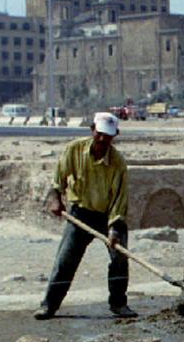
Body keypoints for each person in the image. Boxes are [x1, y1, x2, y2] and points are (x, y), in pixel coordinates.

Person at [34, 111, 136, 319]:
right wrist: (55, 199)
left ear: (114, 135)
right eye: (99, 134)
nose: (102, 139)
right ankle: (49, 305)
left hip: (109, 216)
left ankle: (118, 304)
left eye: (107, 136)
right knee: (65, 260)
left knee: (119, 259)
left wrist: (114, 228)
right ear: (92, 131)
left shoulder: (118, 164)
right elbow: (57, 182)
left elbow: (119, 199)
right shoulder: (74, 150)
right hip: (80, 214)